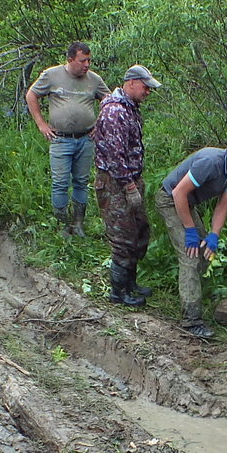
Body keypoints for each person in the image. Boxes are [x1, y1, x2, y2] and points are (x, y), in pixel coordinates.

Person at [153, 134, 227, 339]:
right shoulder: (210, 162)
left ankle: (192, 294)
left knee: (205, 252)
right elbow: (178, 193)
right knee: (190, 255)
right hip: (170, 199)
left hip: (186, 202)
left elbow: (223, 205)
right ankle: (191, 320)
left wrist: (214, 235)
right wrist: (190, 230)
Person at [91, 64, 161, 307]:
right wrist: (129, 187)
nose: (148, 92)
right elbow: (115, 156)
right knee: (123, 238)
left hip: (130, 179)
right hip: (116, 183)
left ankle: (131, 284)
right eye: (145, 87)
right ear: (131, 83)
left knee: (139, 232)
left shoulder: (131, 109)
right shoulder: (115, 112)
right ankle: (118, 292)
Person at [26, 42, 109, 237]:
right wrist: (41, 124)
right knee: (60, 183)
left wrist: (99, 125)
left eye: (89, 60)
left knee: (81, 181)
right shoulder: (52, 75)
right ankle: (61, 225)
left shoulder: (94, 80)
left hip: (86, 139)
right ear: (71, 59)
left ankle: (78, 223)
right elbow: (31, 95)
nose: (87, 64)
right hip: (60, 139)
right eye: (83, 61)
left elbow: (110, 101)